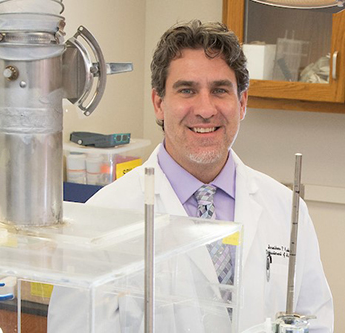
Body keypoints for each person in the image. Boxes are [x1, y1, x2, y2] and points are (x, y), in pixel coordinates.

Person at [48, 20, 333, 332]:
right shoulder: (102, 217)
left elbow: (315, 322)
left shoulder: (286, 209)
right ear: (159, 103)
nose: (206, 109)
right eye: (187, 90)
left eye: (220, 90)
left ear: (242, 103)